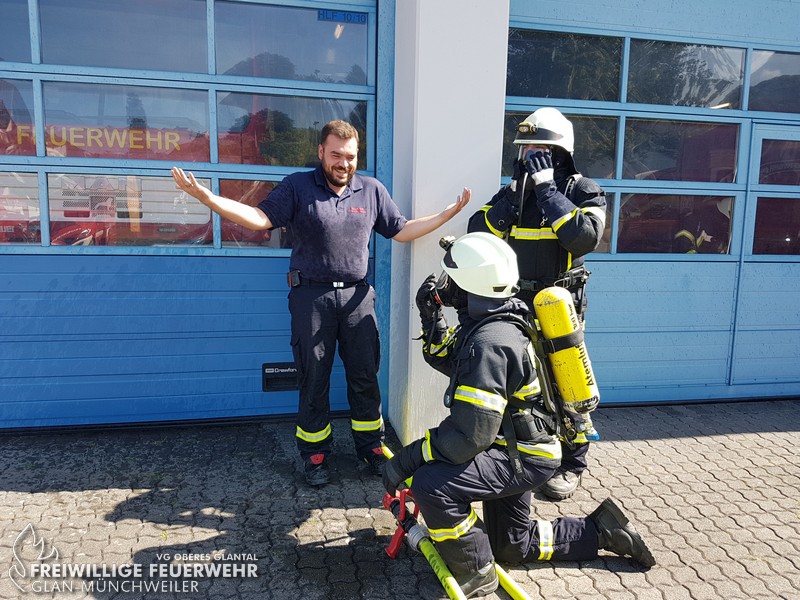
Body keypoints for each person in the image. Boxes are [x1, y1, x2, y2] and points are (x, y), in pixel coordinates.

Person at [171, 120, 471, 487]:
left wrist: (447, 215)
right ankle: (314, 454)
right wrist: (208, 199)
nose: (343, 163)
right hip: (311, 298)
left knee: (365, 375)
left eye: (350, 156)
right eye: (336, 155)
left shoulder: (372, 190)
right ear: (320, 152)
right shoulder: (297, 187)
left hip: (358, 298)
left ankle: (371, 448)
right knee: (314, 377)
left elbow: (401, 229)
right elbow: (260, 219)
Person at [382, 232, 654, 598]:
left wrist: (407, 460)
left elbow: (467, 437)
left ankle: (475, 571)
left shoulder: (490, 342)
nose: (447, 288)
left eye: (453, 280)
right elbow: (451, 360)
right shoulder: (501, 319)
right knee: (511, 545)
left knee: (432, 485)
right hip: (521, 447)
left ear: (471, 285)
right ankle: (601, 531)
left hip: (521, 455)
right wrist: (431, 317)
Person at [467, 107, 606, 501]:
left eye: (537, 149)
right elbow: (477, 230)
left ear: (559, 151)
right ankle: (520, 451)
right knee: (518, 382)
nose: (528, 155)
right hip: (514, 302)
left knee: (566, 383)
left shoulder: (583, 190)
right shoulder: (515, 193)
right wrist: (514, 196)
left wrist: (548, 192)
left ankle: (572, 464)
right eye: (524, 149)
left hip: (558, 305)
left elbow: (584, 238)